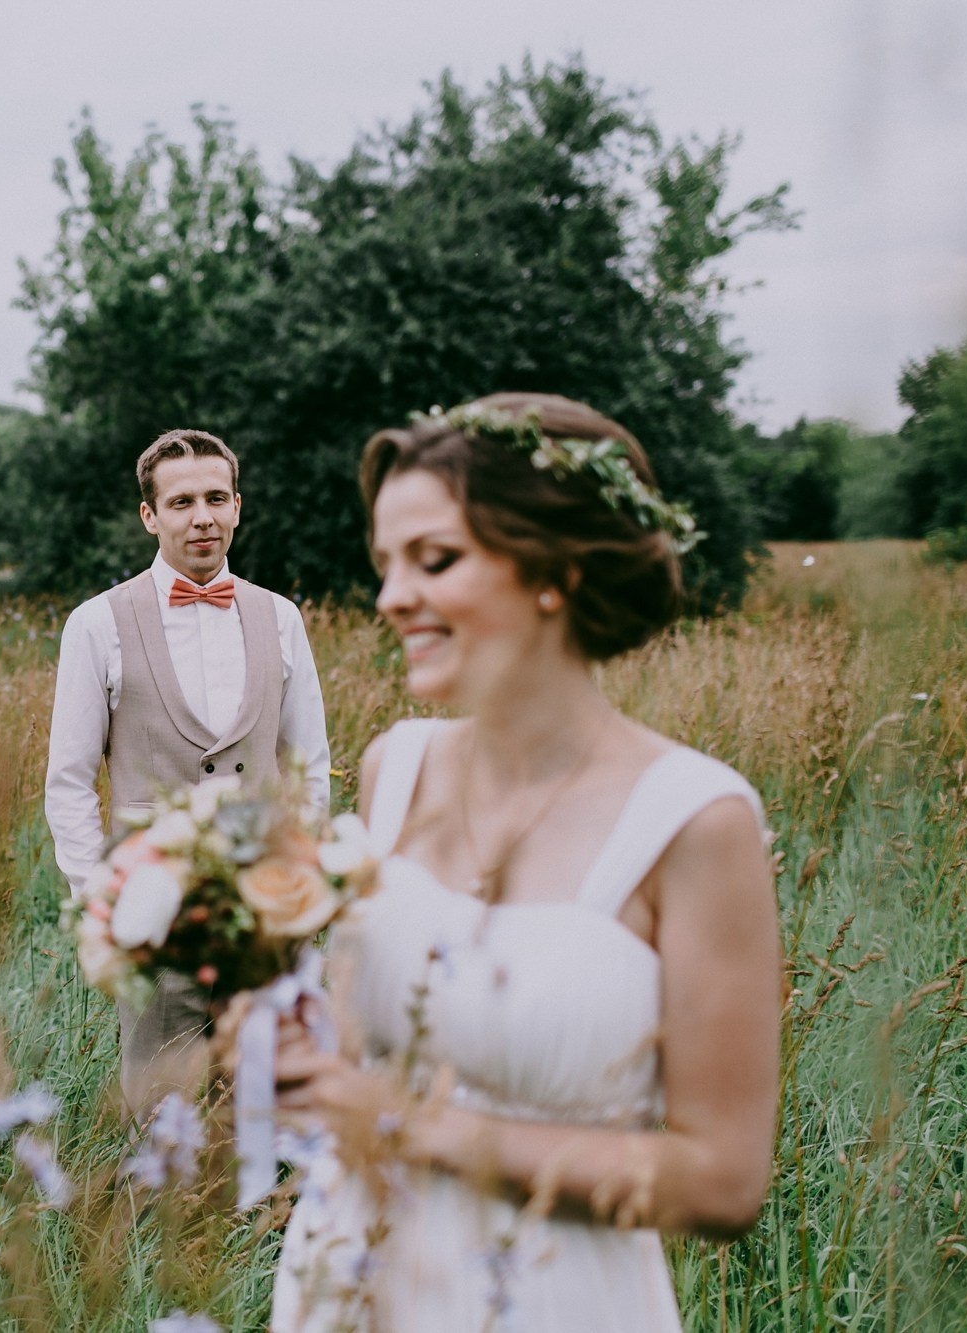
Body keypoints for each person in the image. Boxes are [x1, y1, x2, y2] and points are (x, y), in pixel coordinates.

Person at [267, 394, 780, 1331]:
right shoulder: (392, 767)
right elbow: (356, 1046)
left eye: (436, 560)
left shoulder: (695, 819)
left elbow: (723, 1180)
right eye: (385, 565)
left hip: (552, 1292)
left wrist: (412, 1125)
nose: (391, 597)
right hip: (347, 1274)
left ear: (557, 569)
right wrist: (275, 1036)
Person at [45, 427, 332, 1112]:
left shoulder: (282, 619)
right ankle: (160, 1216)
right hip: (151, 911)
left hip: (262, 912)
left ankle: (259, 1216)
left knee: (264, 1103)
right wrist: (106, 902)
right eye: (180, 502)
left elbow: (309, 769)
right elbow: (69, 780)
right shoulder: (97, 624)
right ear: (150, 515)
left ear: (237, 505)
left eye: (214, 498)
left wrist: (297, 883)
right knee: (161, 1106)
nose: (200, 516)